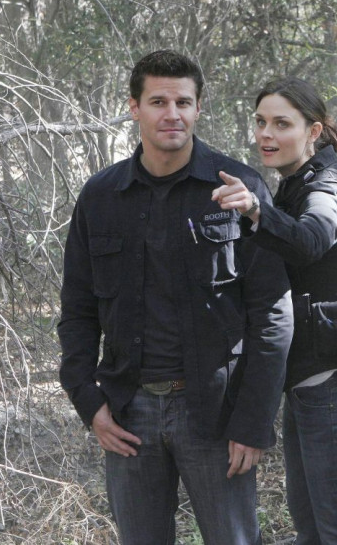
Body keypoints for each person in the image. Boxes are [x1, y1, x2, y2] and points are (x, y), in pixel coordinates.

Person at [57, 50, 293, 545]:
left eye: (183, 102)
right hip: (128, 411)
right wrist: (88, 401)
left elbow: (272, 312)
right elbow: (77, 309)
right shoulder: (101, 196)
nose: (173, 114)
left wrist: (254, 421)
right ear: (134, 108)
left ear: (198, 108)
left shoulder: (238, 188)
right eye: (158, 102)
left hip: (215, 412)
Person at [212, 77, 337, 544]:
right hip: (311, 383)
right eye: (261, 122)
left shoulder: (328, 192)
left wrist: (255, 210)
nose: (266, 134)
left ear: (314, 131)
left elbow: (310, 239)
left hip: (335, 384)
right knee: (312, 526)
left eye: (282, 124)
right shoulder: (294, 185)